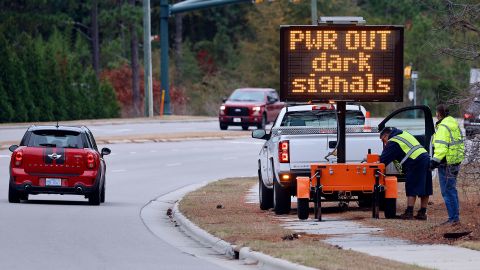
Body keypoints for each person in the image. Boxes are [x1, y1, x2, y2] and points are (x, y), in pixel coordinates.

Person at [380, 127, 432, 220]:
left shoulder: (393, 141)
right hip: (425, 157)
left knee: (411, 185)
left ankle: (409, 212)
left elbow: (383, 160)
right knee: (425, 186)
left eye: (383, 140)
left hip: (415, 161)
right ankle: (422, 212)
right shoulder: (403, 134)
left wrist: (374, 163)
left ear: (386, 135)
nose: (384, 143)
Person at [430, 104, 464, 225]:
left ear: (438, 114)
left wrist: (433, 162)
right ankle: (454, 217)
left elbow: (441, 148)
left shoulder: (443, 127)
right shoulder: (453, 123)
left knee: (447, 191)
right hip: (455, 160)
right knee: (452, 190)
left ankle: (453, 219)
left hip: (446, 163)